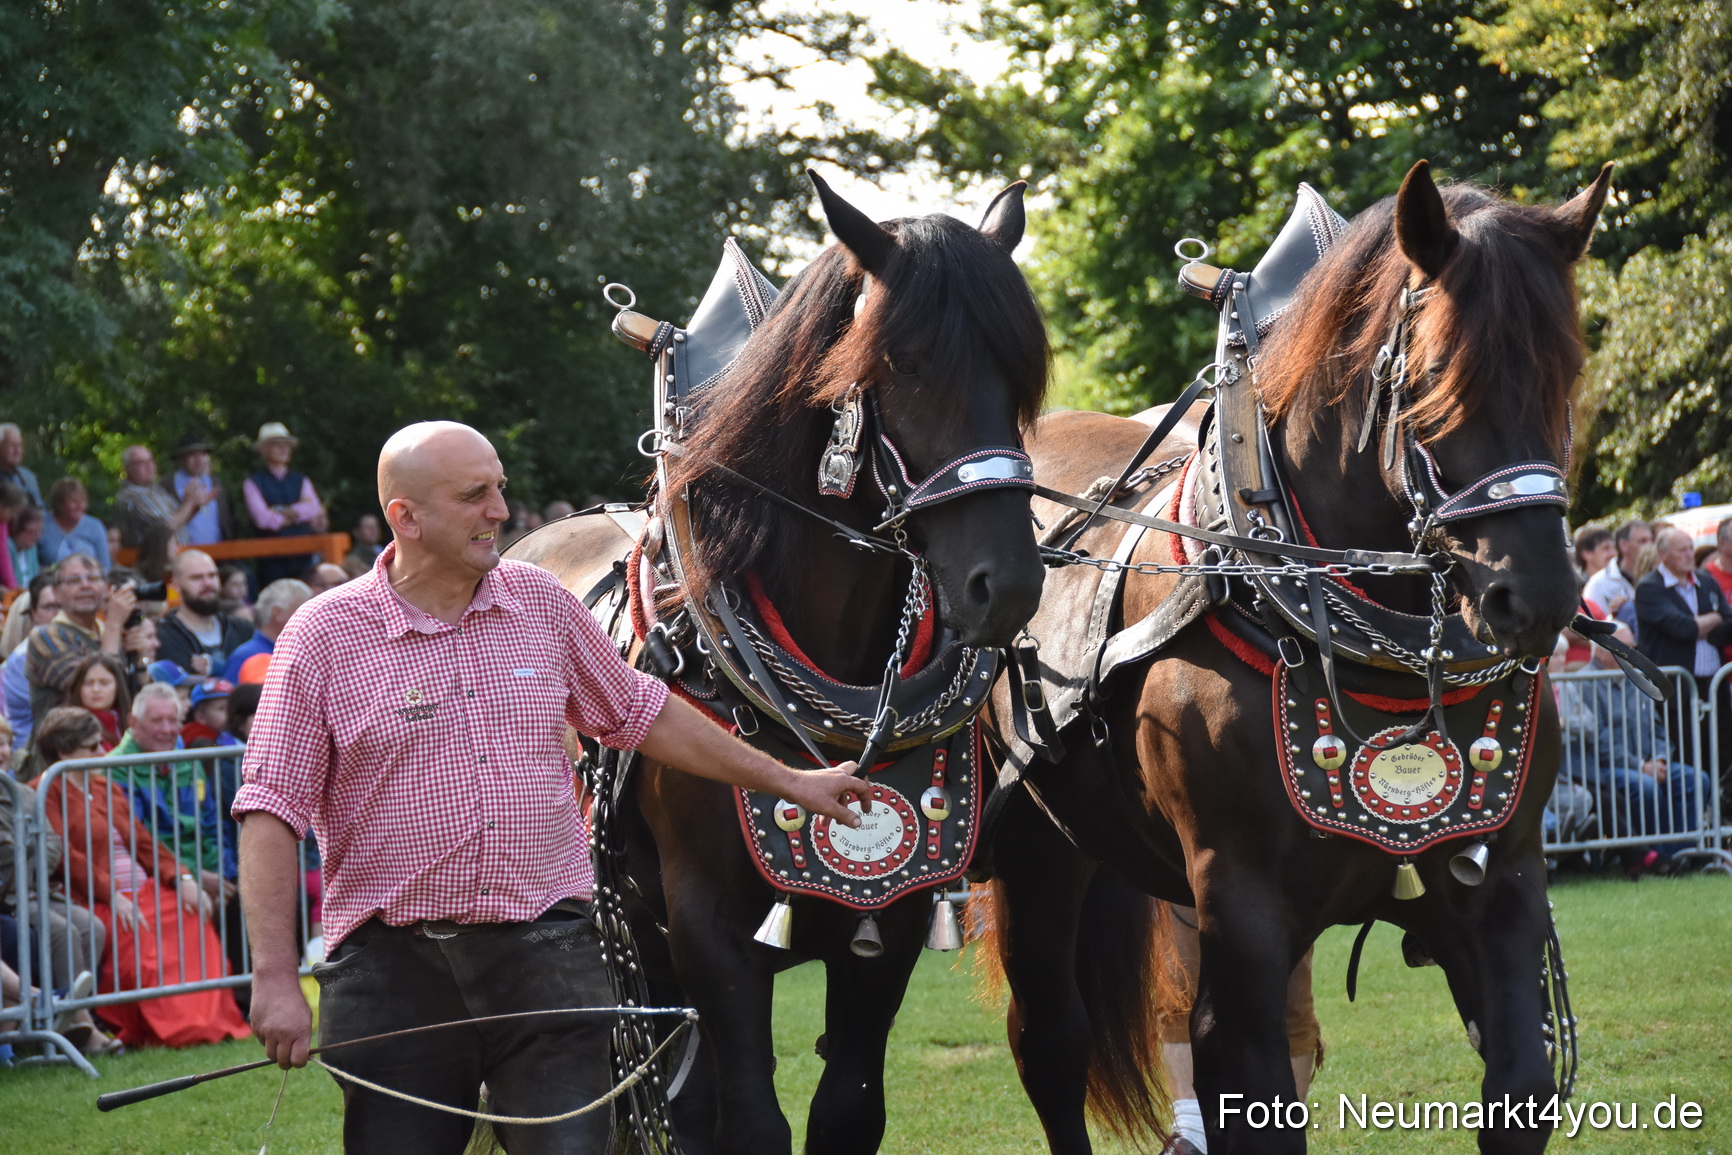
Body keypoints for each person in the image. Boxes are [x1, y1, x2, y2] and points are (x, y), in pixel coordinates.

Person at [235, 420, 873, 1151]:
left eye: (500, 487)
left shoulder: (539, 603)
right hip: (393, 976)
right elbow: (269, 811)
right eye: (474, 495)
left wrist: (789, 780)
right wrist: (276, 978)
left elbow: (642, 712)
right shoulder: (323, 635)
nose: (501, 511)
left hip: (547, 957)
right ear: (405, 517)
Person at [29, 706, 250, 1048]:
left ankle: (208, 1023)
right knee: (142, 936)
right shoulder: (45, 791)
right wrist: (110, 893)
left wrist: (183, 880)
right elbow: (66, 858)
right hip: (94, 895)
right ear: (63, 751)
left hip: (143, 888)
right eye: (91, 747)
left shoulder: (104, 786)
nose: (102, 752)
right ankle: (168, 1029)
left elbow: (144, 841)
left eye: (101, 744)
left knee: (191, 914)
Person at [116, 682, 238, 895]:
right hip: (156, 881)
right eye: (156, 721)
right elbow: (138, 840)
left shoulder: (188, 762)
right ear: (133, 722)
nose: (167, 730)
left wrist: (223, 873)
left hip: (201, 874)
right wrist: (191, 875)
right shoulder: (116, 769)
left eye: (173, 721)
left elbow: (211, 824)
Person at [25, 554, 136, 727]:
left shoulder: (107, 633)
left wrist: (143, 658)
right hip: (65, 745)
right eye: (74, 581)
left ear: (106, 588)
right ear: (56, 593)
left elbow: (135, 695)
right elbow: (90, 691)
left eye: (93, 578)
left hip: (117, 741)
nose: (85, 586)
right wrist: (114, 625)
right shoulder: (46, 636)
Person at [1635, 527, 1732, 690]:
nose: (1689, 555)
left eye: (1690, 548)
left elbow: (1729, 622)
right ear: (1662, 553)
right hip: (1676, 689)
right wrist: (1715, 618)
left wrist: (1703, 630)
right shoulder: (1650, 587)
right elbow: (1682, 628)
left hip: (1715, 684)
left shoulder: (1706, 581)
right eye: (1681, 550)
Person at [243, 422, 325, 585]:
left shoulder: (301, 480)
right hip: (272, 561)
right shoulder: (253, 483)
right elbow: (263, 519)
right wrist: (297, 514)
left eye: (286, 446)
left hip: (304, 557)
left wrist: (279, 510)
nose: (284, 450)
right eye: (277, 446)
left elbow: (313, 509)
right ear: (264, 450)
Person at [155, 550, 256, 677]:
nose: (207, 583)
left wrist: (217, 667)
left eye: (212, 575)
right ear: (176, 585)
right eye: (197, 578)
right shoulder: (163, 637)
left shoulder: (242, 629)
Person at [3, 572, 59, 760]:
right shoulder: (23, 658)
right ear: (34, 612)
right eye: (49, 606)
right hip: (34, 762)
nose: (57, 614)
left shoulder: (73, 647)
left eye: (61, 606)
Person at [114, 444, 209, 552]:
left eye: (151, 461)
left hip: (178, 555)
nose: (149, 466)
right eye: (141, 463)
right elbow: (166, 528)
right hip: (154, 562)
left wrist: (195, 506)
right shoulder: (130, 496)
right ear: (127, 469)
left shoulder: (158, 491)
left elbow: (179, 520)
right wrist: (189, 502)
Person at [220, 578, 311, 684]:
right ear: (277, 613)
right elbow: (233, 699)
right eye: (303, 610)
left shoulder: (298, 651)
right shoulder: (244, 657)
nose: (312, 617)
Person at [1584, 518, 1652, 637]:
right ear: (1623, 545)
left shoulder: (1657, 577)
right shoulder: (1598, 584)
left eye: (1651, 540)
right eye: (1642, 541)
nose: (1650, 546)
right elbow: (1591, 627)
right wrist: (1615, 614)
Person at [165, 433, 233, 546]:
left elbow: (228, 521)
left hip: (219, 555)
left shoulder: (215, 483)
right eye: (192, 455)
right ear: (180, 458)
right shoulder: (167, 486)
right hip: (184, 555)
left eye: (202, 454)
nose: (198, 460)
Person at [37, 478, 112, 571]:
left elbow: (105, 567)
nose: (79, 506)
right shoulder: (42, 525)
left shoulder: (95, 526)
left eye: (82, 501)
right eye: (73, 502)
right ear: (59, 504)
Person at [63, 653, 131, 751]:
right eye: (88, 683)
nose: (96, 689)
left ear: (118, 687)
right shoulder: (70, 728)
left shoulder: (130, 723)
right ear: (78, 688)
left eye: (104, 683)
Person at [0, 424, 43, 508]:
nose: (17, 451)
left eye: (20, 446)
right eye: (12, 446)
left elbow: (40, 512)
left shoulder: (28, 477)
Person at [9, 503, 44, 589]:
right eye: (31, 532)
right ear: (17, 528)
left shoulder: (31, 549)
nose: (37, 536)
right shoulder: (6, 549)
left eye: (39, 531)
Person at [0, 483, 27, 591]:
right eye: (12, 512)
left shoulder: (2, 523)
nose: (13, 517)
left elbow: (3, 555)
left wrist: (12, 586)